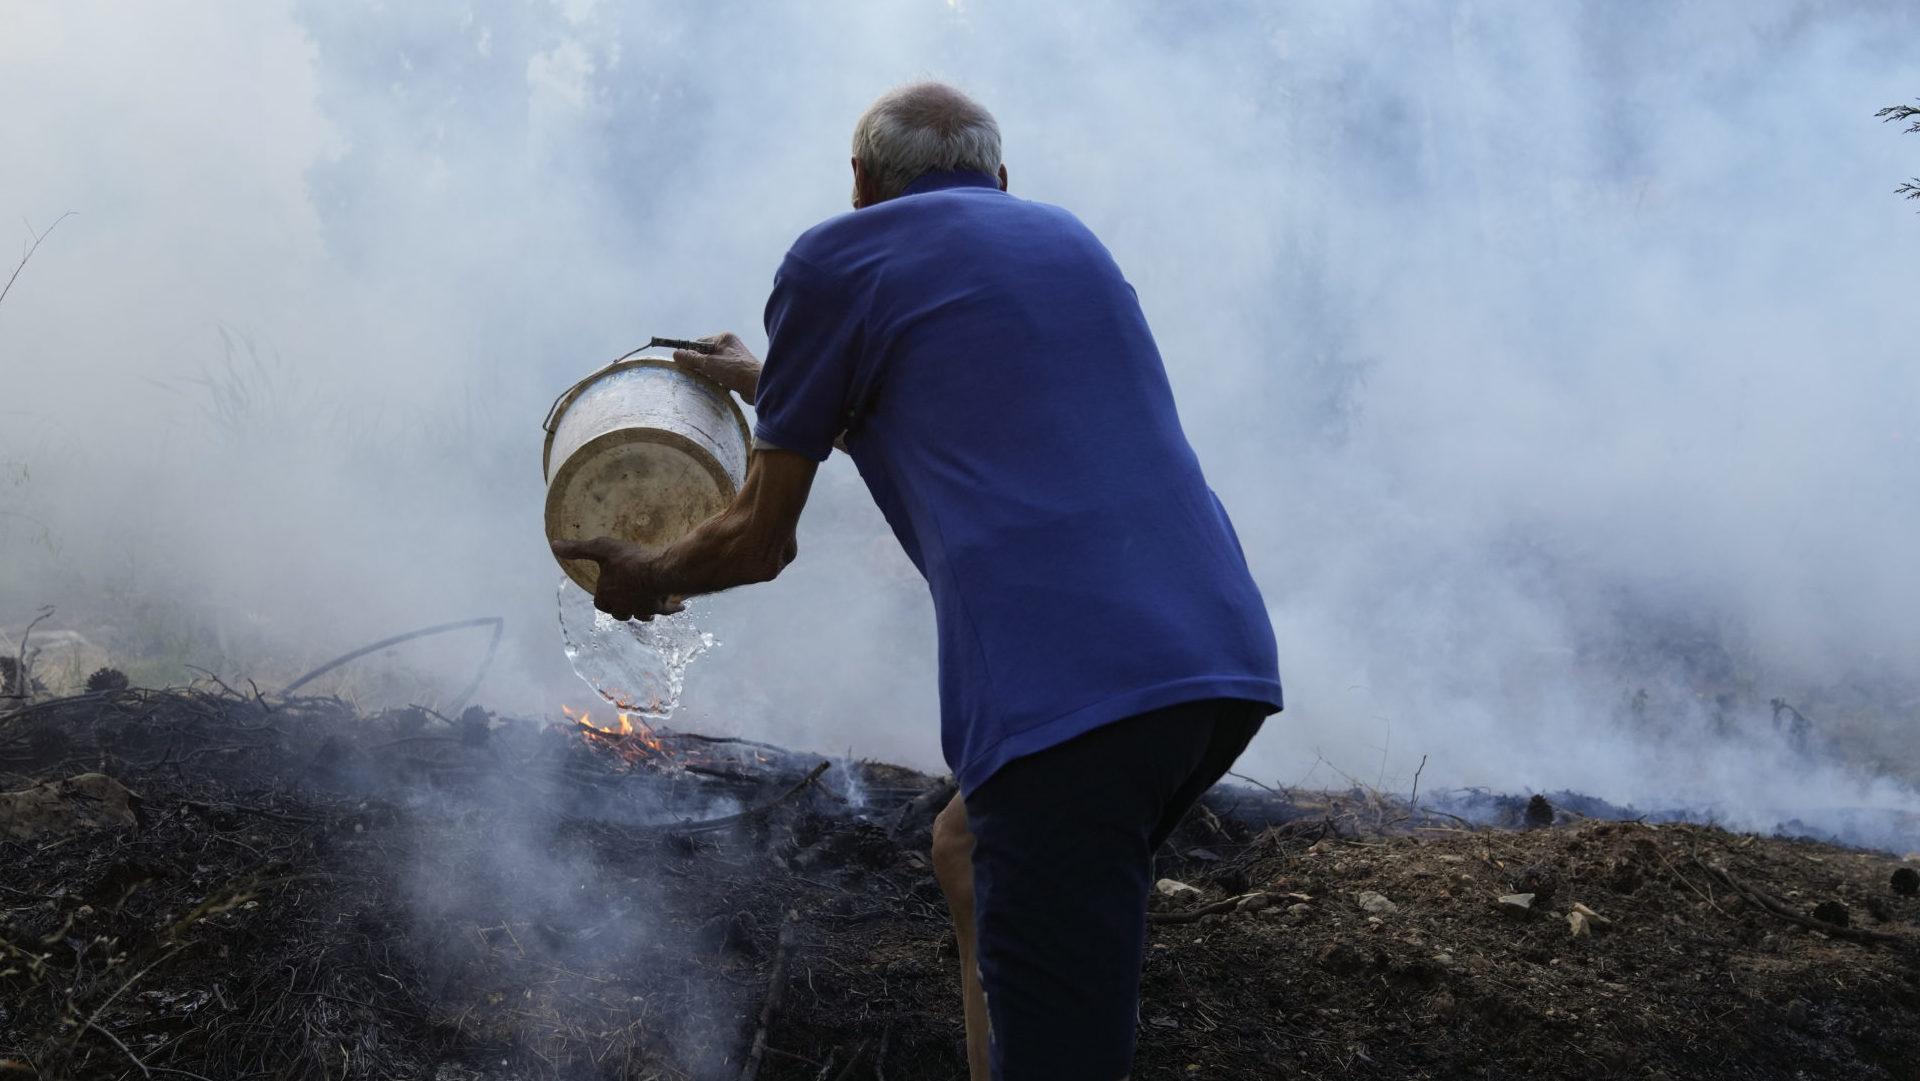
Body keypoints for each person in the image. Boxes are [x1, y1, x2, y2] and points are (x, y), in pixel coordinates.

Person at [552, 82, 1282, 1081]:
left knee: (1063, 1048)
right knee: (970, 849)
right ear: (1002, 182)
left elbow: (761, 541)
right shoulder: (1067, 242)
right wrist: (771, 378)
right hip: (1216, 658)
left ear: (859, 185)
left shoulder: (833, 258)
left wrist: (648, 572)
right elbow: (930, 397)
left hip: (1073, 700)